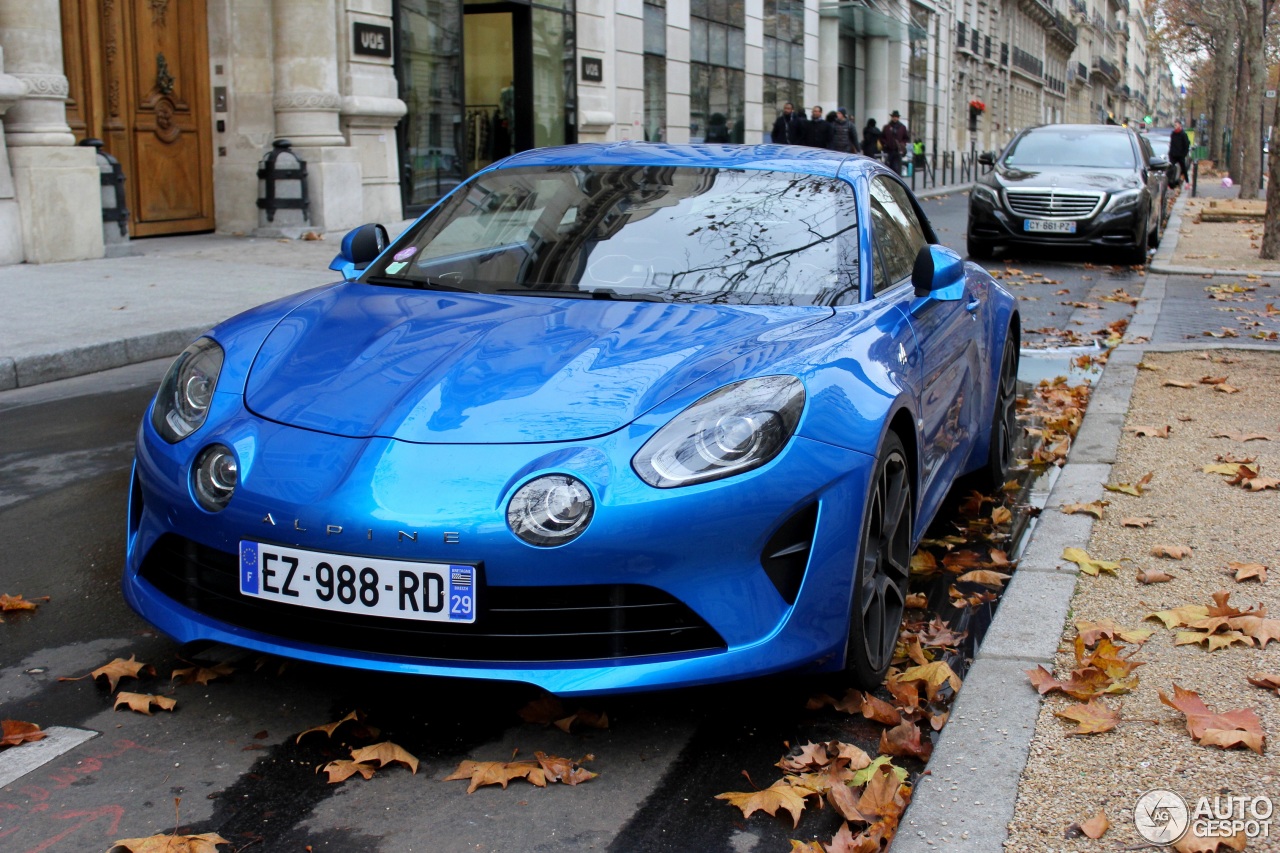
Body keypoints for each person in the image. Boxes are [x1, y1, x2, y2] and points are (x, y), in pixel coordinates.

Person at [881, 110, 911, 175]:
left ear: (898, 118)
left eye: (896, 117)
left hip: (898, 150)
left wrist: (902, 144)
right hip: (888, 150)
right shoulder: (887, 127)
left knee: (897, 168)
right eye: (894, 116)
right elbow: (882, 137)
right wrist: (886, 143)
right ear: (892, 117)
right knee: (888, 167)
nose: (895, 118)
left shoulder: (902, 127)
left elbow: (906, 138)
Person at [1169, 121, 1191, 187]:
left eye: (1176, 125)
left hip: (1180, 155)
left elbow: (1187, 144)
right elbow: (1171, 144)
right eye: (1174, 125)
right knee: (1171, 169)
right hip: (1173, 154)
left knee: (1183, 169)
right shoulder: (1173, 134)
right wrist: (1170, 153)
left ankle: (1187, 182)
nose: (1175, 126)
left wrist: (1184, 154)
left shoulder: (1183, 134)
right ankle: (1171, 183)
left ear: (1179, 125)